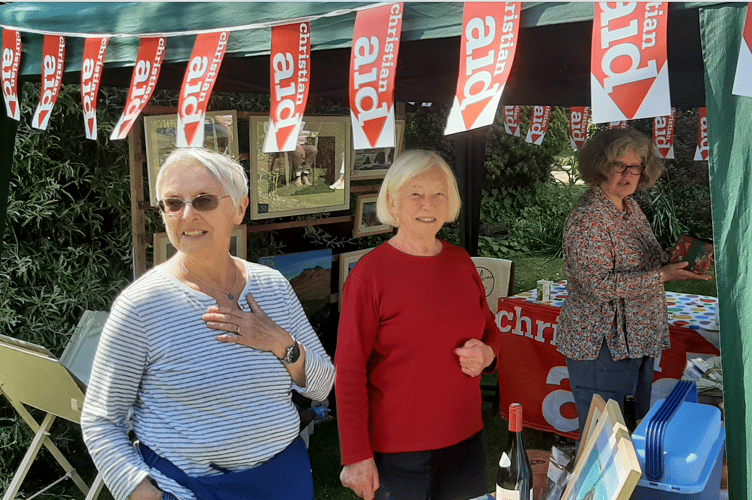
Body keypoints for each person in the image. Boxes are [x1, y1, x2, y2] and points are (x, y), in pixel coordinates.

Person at [81, 148, 335, 500]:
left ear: (239, 208)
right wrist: (145, 494)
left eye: (204, 200)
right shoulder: (141, 307)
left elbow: (322, 388)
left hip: (283, 481)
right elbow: (100, 421)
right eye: (173, 203)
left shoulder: (273, 286)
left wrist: (280, 342)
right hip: (189, 490)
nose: (187, 215)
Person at [335, 149, 503, 500]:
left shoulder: (460, 262)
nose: (428, 204)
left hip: (466, 437)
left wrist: (487, 354)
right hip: (399, 450)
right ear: (393, 203)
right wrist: (356, 457)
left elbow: (490, 329)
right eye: (415, 194)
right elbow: (349, 370)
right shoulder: (370, 274)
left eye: (438, 193)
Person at [557, 128, 712, 436]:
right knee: (605, 436)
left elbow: (641, 261)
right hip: (602, 343)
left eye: (636, 166)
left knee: (630, 428)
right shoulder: (589, 216)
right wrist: (663, 275)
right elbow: (598, 285)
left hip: (635, 338)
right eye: (619, 165)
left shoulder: (629, 206)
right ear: (600, 166)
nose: (628, 174)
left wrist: (676, 262)